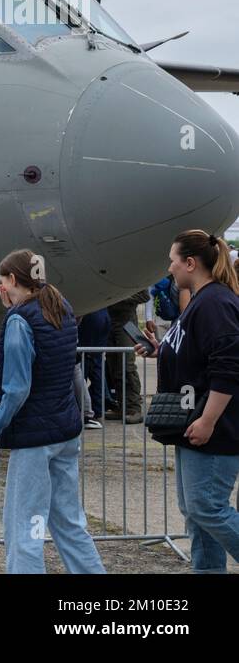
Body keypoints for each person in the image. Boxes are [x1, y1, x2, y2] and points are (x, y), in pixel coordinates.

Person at [0, 249, 105, 574]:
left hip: (34, 437)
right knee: (69, 522)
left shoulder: (20, 320)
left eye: (2, 281)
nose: (0, 287)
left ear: (14, 281)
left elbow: (17, 389)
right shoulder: (61, 307)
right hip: (65, 428)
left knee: (26, 525)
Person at [139, 230, 239, 573]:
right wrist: (161, 350)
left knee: (207, 507)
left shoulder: (215, 303)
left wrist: (209, 419)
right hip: (194, 422)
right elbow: (197, 351)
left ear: (191, 263)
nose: (170, 268)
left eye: (173, 260)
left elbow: (228, 367)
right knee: (196, 513)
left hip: (214, 426)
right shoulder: (201, 300)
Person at [105, 289, 150, 423]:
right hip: (110, 321)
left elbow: (144, 296)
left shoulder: (132, 278)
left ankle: (134, 408)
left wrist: (117, 297)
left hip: (126, 322)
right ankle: (122, 406)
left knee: (127, 366)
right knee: (114, 366)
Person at [76, 309, 109, 428]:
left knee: (82, 369)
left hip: (89, 320)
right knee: (95, 369)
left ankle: (87, 411)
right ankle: (96, 411)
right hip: (100, 318)